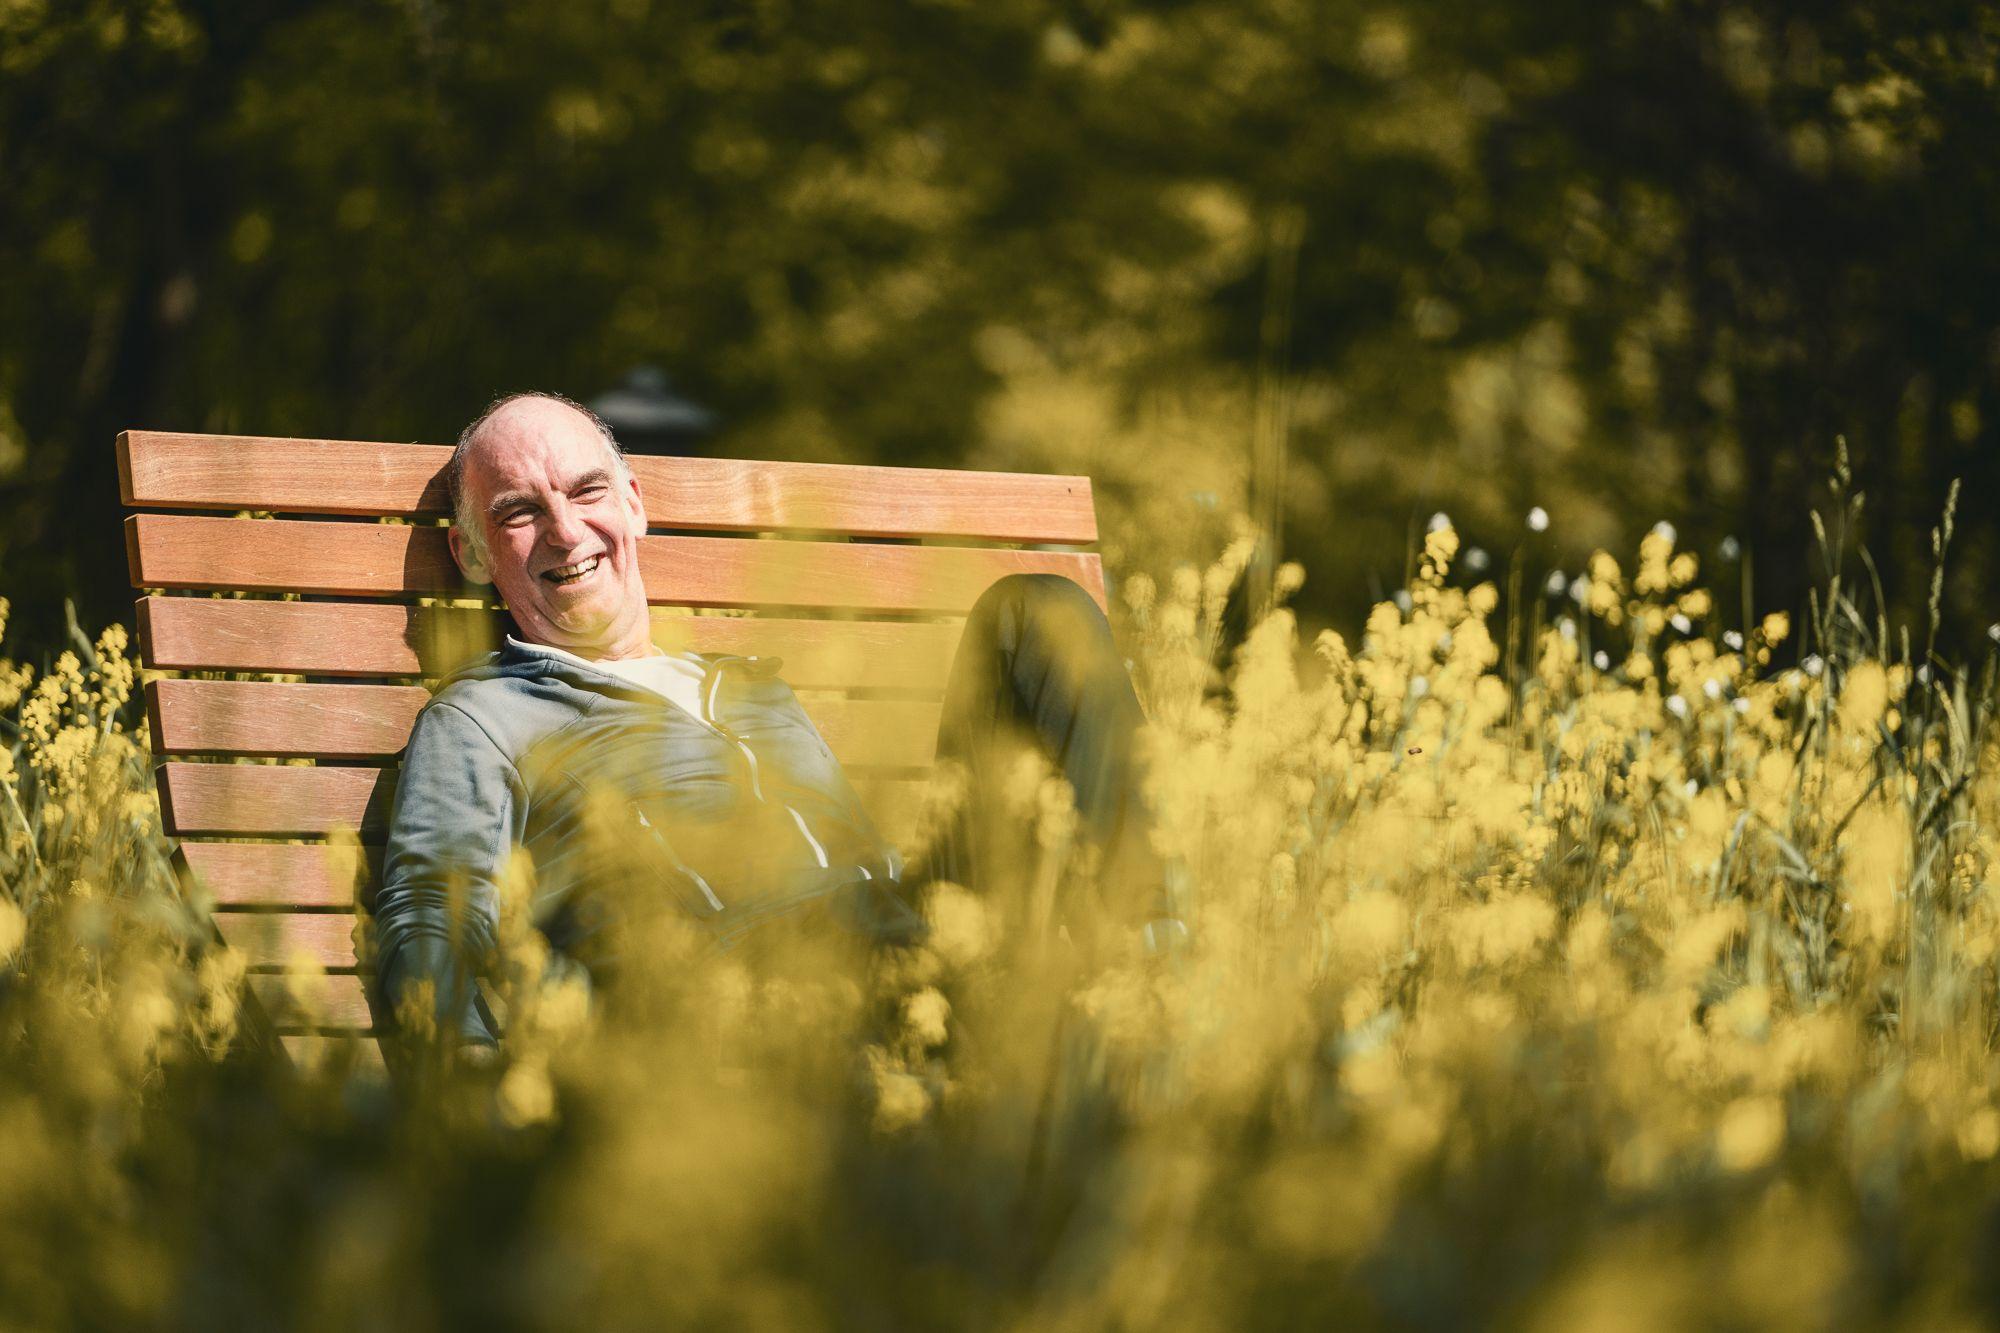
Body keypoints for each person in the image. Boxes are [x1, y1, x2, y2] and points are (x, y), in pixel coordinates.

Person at [372, 391, 1179, 1052]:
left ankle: (1163, 968)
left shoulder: (748, 687)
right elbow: (431, 918)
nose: (565, 529)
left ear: (633, 505)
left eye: (586, 492)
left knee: (1037, 613)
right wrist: (477, 1127)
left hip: (900, 951)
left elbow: (866, 867)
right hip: (734, 1007)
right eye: (519, 511)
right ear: (472, 554)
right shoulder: (482, 715)